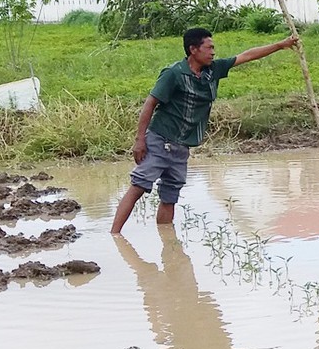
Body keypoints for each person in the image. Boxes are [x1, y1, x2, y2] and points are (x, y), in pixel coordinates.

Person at [110, 27, 298, 234]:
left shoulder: (213, 71)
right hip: (160, 140)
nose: (213, 52)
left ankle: (167, 242)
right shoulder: (173, 74)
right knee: (138, 186)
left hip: (182, 147)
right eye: (208, 47)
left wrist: (281, 45)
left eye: (213, 48)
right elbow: (150, 103)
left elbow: (247, 56)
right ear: (193, 49)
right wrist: (140, 140)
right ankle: (114, 235)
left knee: (170, 197)